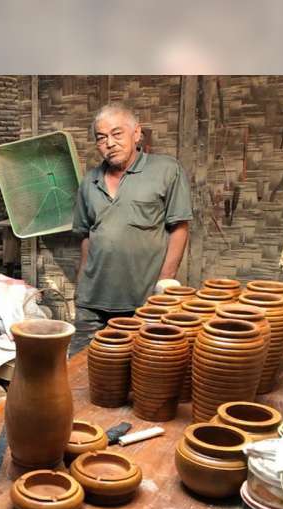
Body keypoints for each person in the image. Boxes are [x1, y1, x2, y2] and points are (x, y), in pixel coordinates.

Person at [70, 103, 192, 354]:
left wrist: (164, 283)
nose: (110, 143)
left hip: (144, 300)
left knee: (141, 369)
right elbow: (86, 236)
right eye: (102, 138)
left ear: (136, 134)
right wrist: (81, 282)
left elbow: (179, 227)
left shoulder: (166, 170)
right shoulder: (89, 182)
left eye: (117, 134)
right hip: (92, 302)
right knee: (80, 367)